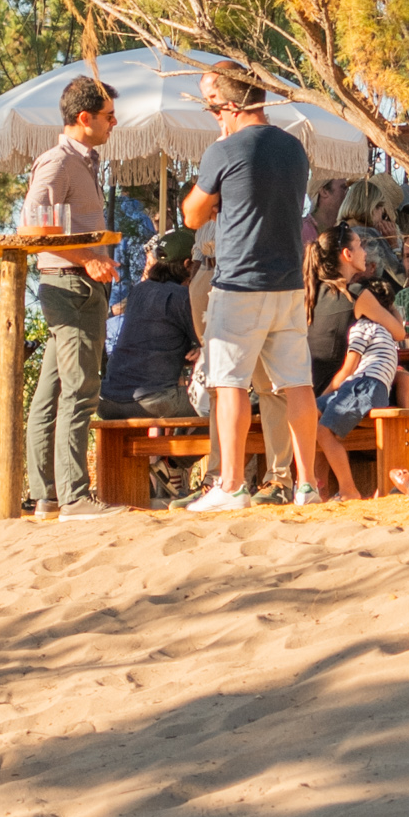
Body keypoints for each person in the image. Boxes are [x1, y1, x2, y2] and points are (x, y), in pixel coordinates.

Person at [179, 68, 320, 510]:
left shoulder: (225, 149)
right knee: (296, 383)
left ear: (229, 104)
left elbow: (192, 217)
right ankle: (307, 485)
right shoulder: (295, 148)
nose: (210, 112)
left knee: (230, 384)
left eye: (210, 102)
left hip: (239, 282)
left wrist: (217, 192)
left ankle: (233, 484)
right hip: (287, 282)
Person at [23, 77, 122, 521]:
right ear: (84, 118)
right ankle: (74, 498)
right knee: (79, 390)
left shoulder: (79, 162)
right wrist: (88, 261)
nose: (113, 123)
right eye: (107, 116)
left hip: (71, 285)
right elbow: (32, 230)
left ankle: (47, 495)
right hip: (72, 285)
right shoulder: (59, 162)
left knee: (53, 389)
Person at [312, 226, 409, 499]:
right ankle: (353, 488)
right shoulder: (356, 294)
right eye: (360, 246)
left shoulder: (314, 291)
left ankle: (319, 487)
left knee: (317, 423)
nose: (365, 252)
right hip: (346, 380)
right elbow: (399, 333)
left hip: (314, 379)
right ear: (347, 254)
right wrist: (392, 310)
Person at [101, 225, 206, 420]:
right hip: (152, 400)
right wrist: (203, 347)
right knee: (219, 401)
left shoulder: (139, 290)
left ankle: (171, 451)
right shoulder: (182, 296)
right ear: (187, 264)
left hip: (108, 400)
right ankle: (191, 451)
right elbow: (208, 341)